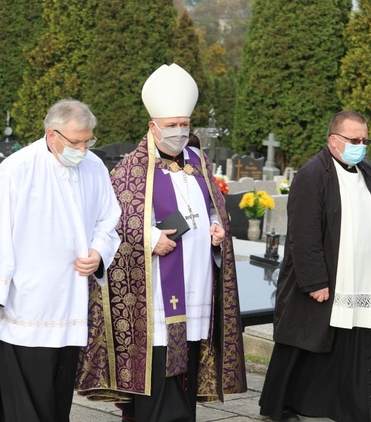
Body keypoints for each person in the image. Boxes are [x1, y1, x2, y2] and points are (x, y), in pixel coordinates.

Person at [76, 63, 247, 421]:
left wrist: (218, 228)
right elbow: (113, 223)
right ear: (153, 126)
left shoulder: (198, 160)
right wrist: (150, 239)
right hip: (155, 294)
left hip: (197, 282)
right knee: (160, 364)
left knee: (190, 360)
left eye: (185, 124)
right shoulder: (130, 170)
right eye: (172, 125)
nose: (180, 131)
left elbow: (212, 207)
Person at [0, 99, 121, 421]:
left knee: (58, 382)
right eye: (76, 141)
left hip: (72, 296)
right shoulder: (19, 168)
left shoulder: (94, 166)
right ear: (52, 135)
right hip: (28, 297)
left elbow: (109, 219)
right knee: (27, 377)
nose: (84, 148)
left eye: (88, 140)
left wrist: (99, 252)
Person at [259, 110, 371, 422]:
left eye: (364, 140)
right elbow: (302, 235)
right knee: (302, 341)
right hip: (325, 278)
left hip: (363, 278)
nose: (360, 146)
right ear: (334, 140)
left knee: (360, 341)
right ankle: (281, 407)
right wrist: (314, 281)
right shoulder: (312, 174)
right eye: (354, 140)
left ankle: (364, 408)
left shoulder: (367, 174)